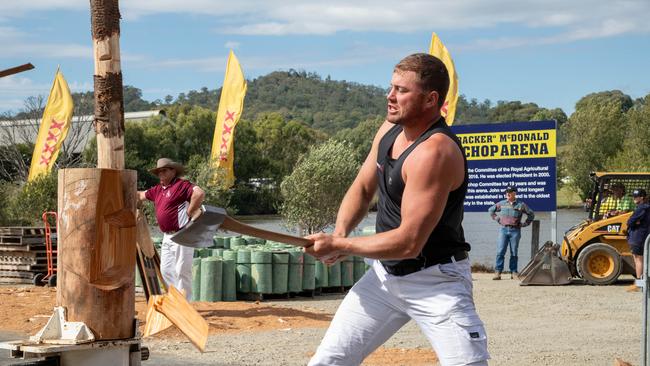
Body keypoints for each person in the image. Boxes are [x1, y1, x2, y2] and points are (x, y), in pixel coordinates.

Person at [303, 53, 489, 366]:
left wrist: (340, 245)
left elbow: (408, 243)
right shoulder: (389, 131)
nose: (390, 96)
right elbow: (362, 189)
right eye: (391, 87)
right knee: (327, 361)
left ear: (431, 99)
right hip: (384, 278)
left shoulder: (435, 151)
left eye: (401, 90)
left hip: (436, 281)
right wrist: (340, 232)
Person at [137, 158, 205, 300]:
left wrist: (191, 210)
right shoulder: (157, 190)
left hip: (183, 233)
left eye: (164, 170)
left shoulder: (181, 185)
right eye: (159, 171)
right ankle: (176, 299)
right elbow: (140, 195)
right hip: (167, 236)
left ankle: (185, 303)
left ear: (173, 171)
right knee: (166, 270)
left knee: (182, 270)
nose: (161, 173)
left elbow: (199, 193)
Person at [488, 186, 535, 280]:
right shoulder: (501, 203)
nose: (508, 194)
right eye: (507, 192)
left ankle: (513, 272)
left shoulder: (521, 205)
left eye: (510, 192)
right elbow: (490, 210)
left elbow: (531, 214)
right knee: (500, 251)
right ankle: (498, 272)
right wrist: (497, 219)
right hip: (503, 230)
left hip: (515, 231)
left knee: (514, 252)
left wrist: (525, 224)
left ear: (514, 193)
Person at [626, 188, 650, 292]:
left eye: (636, 196)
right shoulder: (646, 207)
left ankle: (639, 284)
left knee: (638, 260)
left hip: (638, 237)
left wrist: (634, 223)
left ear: (642, 197)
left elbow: (630, 221)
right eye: (634, 196)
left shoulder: (642, 208)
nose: (634, 198)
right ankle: (642, 283)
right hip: (642, 237)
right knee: (640, 260)